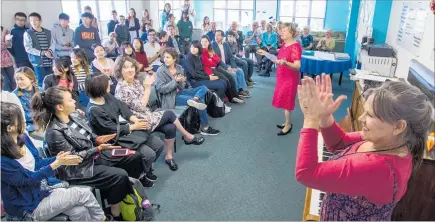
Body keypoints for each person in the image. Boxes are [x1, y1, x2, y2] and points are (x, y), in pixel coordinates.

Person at [295, 75, 434, 220]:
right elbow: (339, 144)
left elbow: (305, 173)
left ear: (399, 126)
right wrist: (325, 116)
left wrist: (311, 118)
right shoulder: (388, 141)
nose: (361, 118)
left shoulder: (377, 167)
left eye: (370, 115)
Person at [32, 87, 144, 220]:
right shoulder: (54, 132)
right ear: (60, 107)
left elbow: (88, 135)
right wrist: (97, 149)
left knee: (133, 157)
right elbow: (72, 159)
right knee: (119, 175)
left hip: (94, 156)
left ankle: (119, 193)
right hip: (77, 169)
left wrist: (97, 139)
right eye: (70, 100)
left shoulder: (74, 116)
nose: (74, 101)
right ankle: (116, 213)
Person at [1, 102, 105, 221]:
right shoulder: (2, 160)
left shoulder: (24, 138)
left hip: (41, 190)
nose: (25, 120)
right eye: (20, 118)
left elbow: (37, 163)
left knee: (80, 211)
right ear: (10, 128)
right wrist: (55, 164)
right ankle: (102, 219)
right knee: (84, 194)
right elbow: (27, 180)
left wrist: (59, 159)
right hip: (28, 206)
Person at [114, 56, 204, 171]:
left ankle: (169, 156)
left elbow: (143, 104)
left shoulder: (135, 82)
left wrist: (146, 88)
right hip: (138, 122)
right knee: (169, 114)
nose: (130, 69)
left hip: (146, 114)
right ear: (119, 70)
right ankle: (187, 137)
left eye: (132, 66)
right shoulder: (122, 88)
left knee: (171, 128)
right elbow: (141, 107)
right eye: (125, 67)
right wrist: (147, 88)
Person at [85, 74, 164, 187]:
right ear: (99, 87)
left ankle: (145, 169)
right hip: (114, 138)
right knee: (149, 154)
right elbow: (109, 129)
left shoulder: (106, 96)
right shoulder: (94, 110)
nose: (110, 85)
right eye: (107, 84)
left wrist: (135, 120)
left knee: (158, 145)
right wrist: (132, 127)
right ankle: (141, 175)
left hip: (125, 130)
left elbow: (122, 107)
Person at [156, 48, 220, 136]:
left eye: (168, 57)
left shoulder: (179, 68)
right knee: (200, 102)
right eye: (164, 57)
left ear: (174, 59)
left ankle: (195, 98)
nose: (165, 59)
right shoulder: (160, 71)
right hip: (171, 97)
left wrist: (182, 81)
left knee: (204, 88)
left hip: (182, 91)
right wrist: (175, 81)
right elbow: (161, 89)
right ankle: (205, 128)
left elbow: (182, 86)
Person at [258, 22, 301, 135]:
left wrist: (286, 63)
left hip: (290, 79)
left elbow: (297, 66)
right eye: (280, 30)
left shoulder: (295, 47)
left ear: (291, 33)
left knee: (287, 102)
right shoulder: (285, 45)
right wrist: (266, 53)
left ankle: (288, 125)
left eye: (284, 31)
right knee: (284, 100)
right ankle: (287, 122)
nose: (281, 32)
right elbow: (277, 60)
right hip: (282, 77)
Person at [200, 35, 244, 104]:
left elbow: (217, 60)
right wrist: (212, 59)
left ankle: (235, 96)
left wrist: (211, 58)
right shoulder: (201, 51)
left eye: (205, 41)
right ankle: (231, 98)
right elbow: (210, 63)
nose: (204, 43)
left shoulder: (210, 50)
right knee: (226, 80)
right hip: (210, 71)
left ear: (209, 42)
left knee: (231, 77)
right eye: (202, 41)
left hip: (216, 68)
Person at [212, 30, 250, 98]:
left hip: (227, 64)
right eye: (215, 35)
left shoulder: (225, 44)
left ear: (222, 37)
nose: (216, 37)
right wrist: (228, 68)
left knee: (239, 71)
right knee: (233, 74)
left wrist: (234, 66)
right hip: (219, 66)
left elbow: (231, 56)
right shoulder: (212, 45)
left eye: (218, 35)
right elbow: (217, 60)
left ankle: (241, 89)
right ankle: (235, 92)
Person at [24, 12, 54, 87]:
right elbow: (28, 48)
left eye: (35, 20)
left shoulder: (48, 32)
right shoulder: (28, 33)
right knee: (41, 81)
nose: (33, 22)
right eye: (31, 20)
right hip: (38, 61)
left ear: (40, 21)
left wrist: (49, 51)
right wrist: (42, 52)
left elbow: (52, 44)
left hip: (49, 60)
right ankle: (43, 97)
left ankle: (51, 96)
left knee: (51, 79)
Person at [13, 67, 44, 138]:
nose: (19, 82)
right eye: (17, 79)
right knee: (48, 136)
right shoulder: (14, 95)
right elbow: (21, 117)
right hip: (30, 127)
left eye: (22, 79)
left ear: (31, 79)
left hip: (44, 122)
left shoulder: (41, 90)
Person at [1, 26, 15, 91]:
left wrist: (7, 41)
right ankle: (8, 97)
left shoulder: (4, 30)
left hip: (7, 58)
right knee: (4, 80)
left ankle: (17, 95)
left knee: (13, 78)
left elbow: (9, 45)